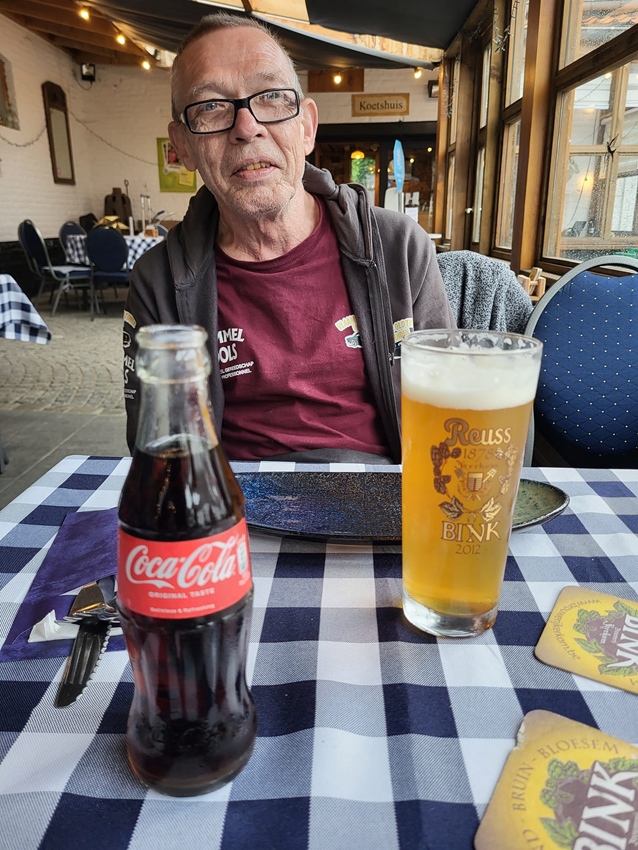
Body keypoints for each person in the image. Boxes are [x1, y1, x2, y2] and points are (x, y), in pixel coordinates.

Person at [123, 12, 455, 464]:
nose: (247, 127)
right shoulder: (158, 280)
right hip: (232, 497)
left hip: (381, 492)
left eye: (272, 97)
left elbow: (446, 417)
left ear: (307, 127)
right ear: (182, 146)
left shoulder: (398, 247)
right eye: (211, 106)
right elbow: (161, 451)